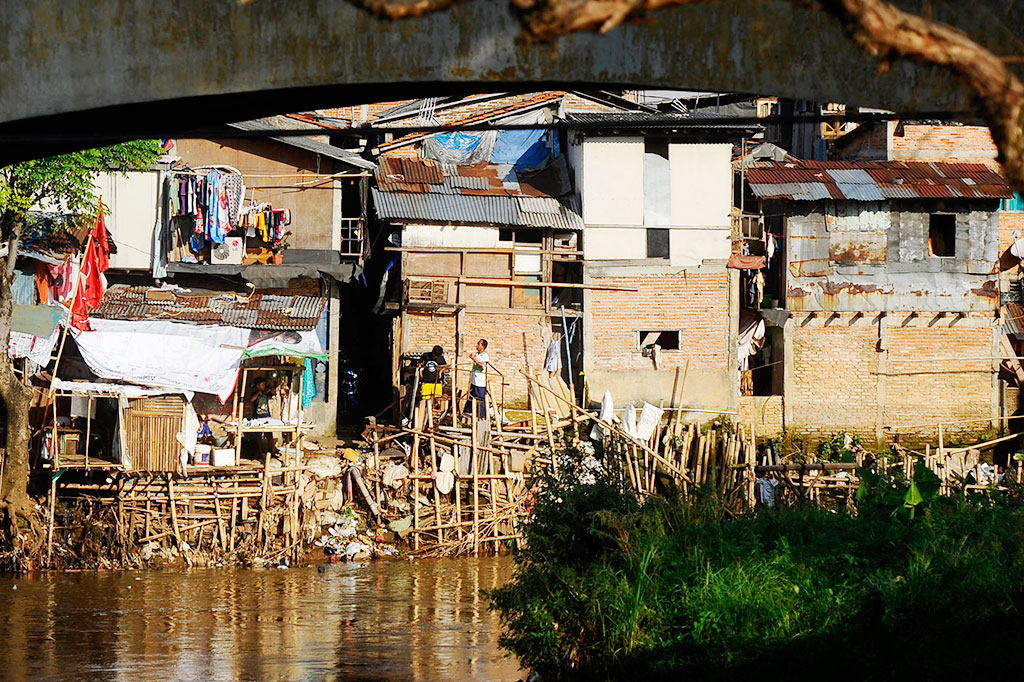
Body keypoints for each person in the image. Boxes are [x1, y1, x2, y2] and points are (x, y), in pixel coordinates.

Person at [464, 338, 489, 418]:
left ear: (483, 346)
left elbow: (481, 366)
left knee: (480, 399)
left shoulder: (484, 356)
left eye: (479, 344)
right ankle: (467, 413)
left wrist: (473, 359)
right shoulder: (477, 354)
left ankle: (481, 416)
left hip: (480, 382)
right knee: (471, 396)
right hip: (474, 380)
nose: (477, 345)